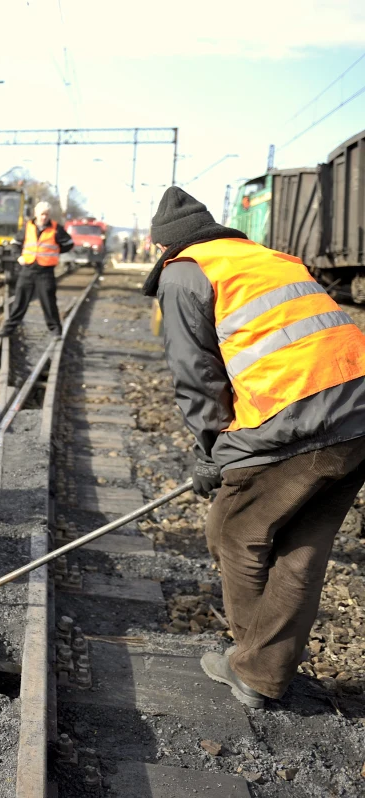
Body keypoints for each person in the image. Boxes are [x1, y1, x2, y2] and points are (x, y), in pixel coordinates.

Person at [145, 186, 365, 709]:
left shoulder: (184, 272)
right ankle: (265, 673)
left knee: (235, 530)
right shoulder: (266, 258)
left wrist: (210, 452)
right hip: (359, 413)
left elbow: (197, 377)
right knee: (301, 549)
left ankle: (249, 664)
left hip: (295, 417)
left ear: (163, 247)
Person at [0, 200, 73, 338]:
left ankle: (56, 330)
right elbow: (15, 243)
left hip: (46, 271)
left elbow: (69, 243)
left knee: (49, 302)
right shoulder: (27, 227)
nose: (44, 217)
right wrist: (18, 257)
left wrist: (56, 251)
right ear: (35, 214)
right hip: (28, 269)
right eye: (41, 214)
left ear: (49, 215)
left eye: (46, 214)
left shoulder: (56, 228)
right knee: (20, 301)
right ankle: (8, 329)